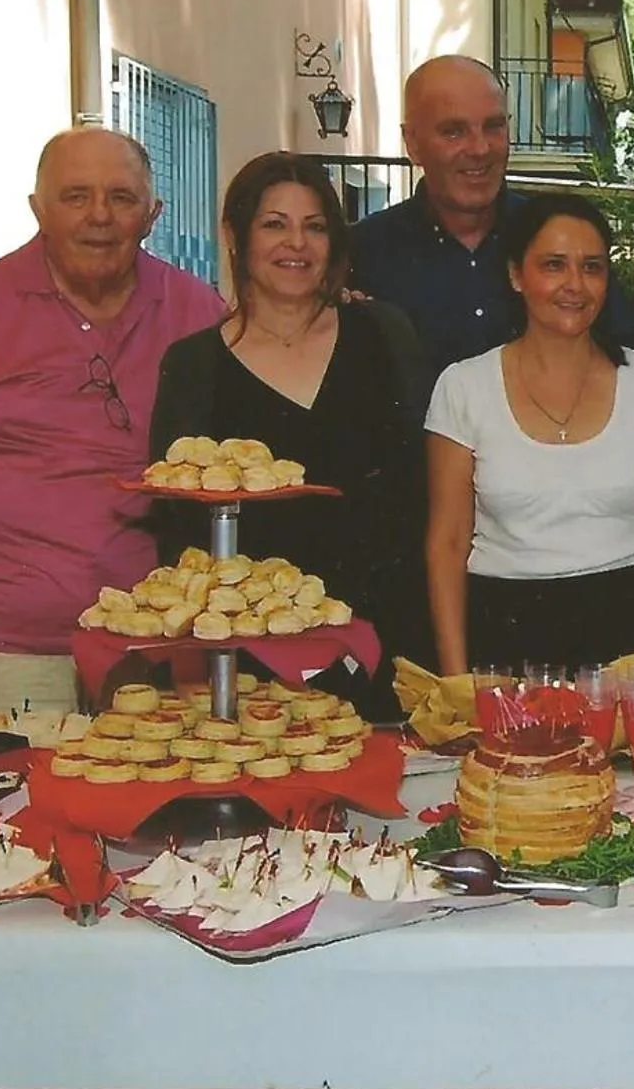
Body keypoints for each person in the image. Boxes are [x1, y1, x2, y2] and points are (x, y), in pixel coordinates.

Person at [0, 128, 222, 737]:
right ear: (38, 209)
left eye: (121, 198)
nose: (100, 217)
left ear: (153, 214)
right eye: (76, 197)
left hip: (154, 657)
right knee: (0, 829)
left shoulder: (198, 313)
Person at [150, 153, 428, 718]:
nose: (296, 245)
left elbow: (429, 486)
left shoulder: (385, 334)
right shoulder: (194, 365)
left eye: (315, 226)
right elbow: (176, 531)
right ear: (236, 235)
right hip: (255, 665)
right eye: (274, 224)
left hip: (392, 646)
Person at [425, 192, 634, 672]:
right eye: (554, 265)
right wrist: (456, 679)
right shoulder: (463, 387)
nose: (575, 285)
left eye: (592, 267)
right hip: (505, 633)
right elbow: (448, 542)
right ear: (516, 275)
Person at [350, 54, 634, 380]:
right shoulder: (364, 252)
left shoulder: (556, 239)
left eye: (494, 126)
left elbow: (623, 359)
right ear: (413, 144)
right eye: (454, 131)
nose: (480, 148)